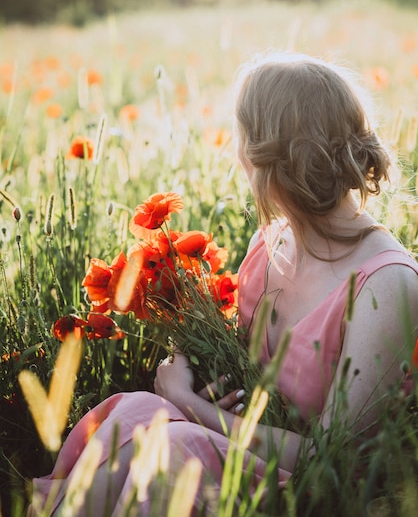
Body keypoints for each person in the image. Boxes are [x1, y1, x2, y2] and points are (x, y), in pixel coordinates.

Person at [29, 52, 418, 516]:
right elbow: (245, 378)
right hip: (249, 446)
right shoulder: (271, 243)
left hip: (313, 491)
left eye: (242, 136)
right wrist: (194, 374)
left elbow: (332, 460)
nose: (236, 153)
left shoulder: (386, 286)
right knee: (135, 412)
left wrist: (187, 403)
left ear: (268, 157)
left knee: (173, 447)